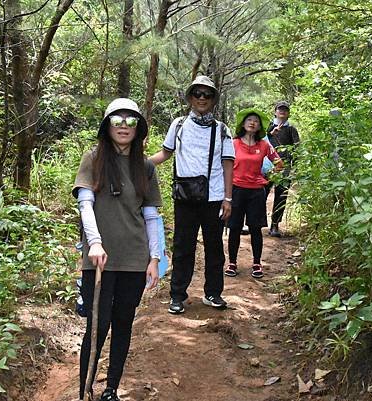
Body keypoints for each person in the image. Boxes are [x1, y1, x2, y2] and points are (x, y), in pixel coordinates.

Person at [73, 98, 162, 401]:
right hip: (98, 259)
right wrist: (94, 242)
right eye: (117, 120)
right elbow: (85, 204)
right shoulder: (94, 158)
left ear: (139, 128)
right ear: (107, 125)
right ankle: (84, 390)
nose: (124, 126)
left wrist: (155, 257)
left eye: (131, 121)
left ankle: (111, 389)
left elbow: (150, 216)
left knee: (123, 324)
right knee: (97, 326)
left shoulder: (146, 167)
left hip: (135, 259)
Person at [150, 75, 235, 314]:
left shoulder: (222, 130)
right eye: (197, 93)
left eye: (207, 95)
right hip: (185, 197)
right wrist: (140, 164)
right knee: (183, 247)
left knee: (214, 247)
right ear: (190, 97)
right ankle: (177, 295)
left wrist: (228, 198)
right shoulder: (178, 125)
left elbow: (228, 163)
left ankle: (213, 293)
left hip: (214, 197)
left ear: (213, 100)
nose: (201, 98)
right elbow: (165, 153)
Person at [225, 109, 282, 278]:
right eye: (249, 120)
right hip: (235, 189)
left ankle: (257, 263)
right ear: (243, 124)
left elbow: (279, 164)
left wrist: (267, 177)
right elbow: (224, 164)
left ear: (259, 126)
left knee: (255, 228)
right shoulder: (233, 143)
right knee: (234, 228)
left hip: (256, 191)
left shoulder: (264, 145)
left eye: (256, 121)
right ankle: (232, 263)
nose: (252, 123)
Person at [265, 101, 300, 237]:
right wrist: (270, 134)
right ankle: (253, 222)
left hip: (284, 166)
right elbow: (259, 141)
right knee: (260, 193)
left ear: (288, 113)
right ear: (275, 111)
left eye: (285, 110)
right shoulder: (267, 126)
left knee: (281, 195)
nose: (282, 112)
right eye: (280, 109)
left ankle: (275, 225)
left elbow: (297, 148)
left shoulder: (291, 129)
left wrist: (295, 166)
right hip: (267, 164)